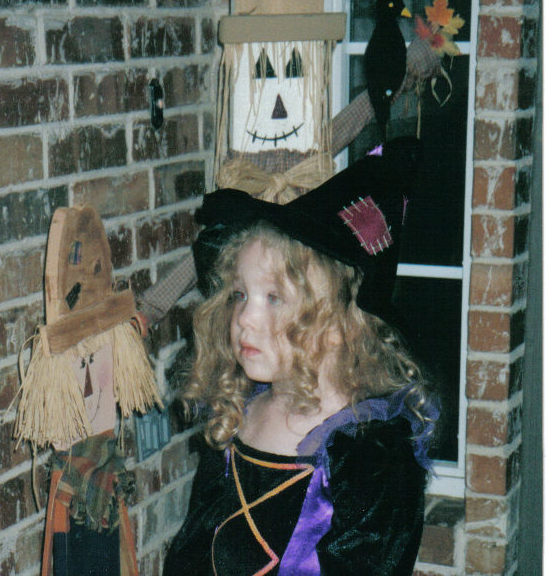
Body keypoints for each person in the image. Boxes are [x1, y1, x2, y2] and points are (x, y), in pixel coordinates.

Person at [163, 137, 437, 575]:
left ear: (340, 324)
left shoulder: (369, 455)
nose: (244, 318)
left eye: (273, 298)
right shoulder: (237, 417)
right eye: (240, 294)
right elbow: (191, 554)